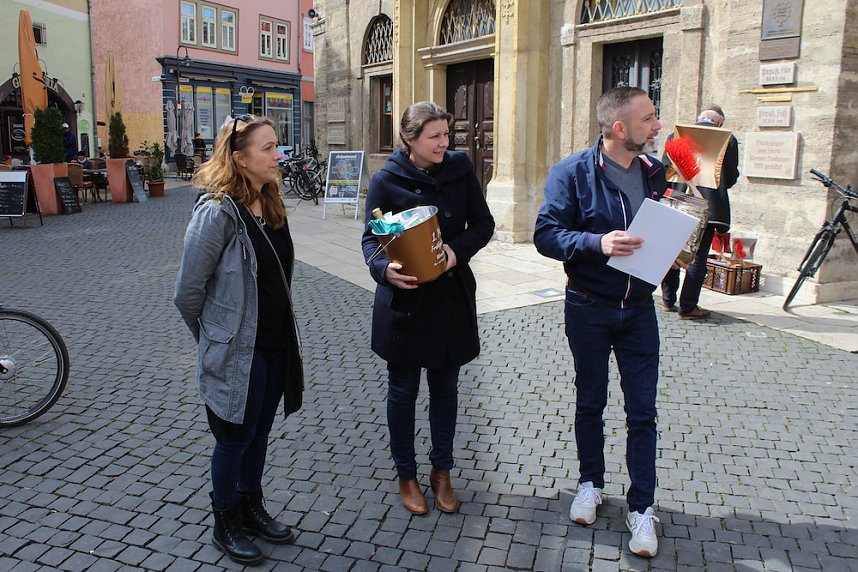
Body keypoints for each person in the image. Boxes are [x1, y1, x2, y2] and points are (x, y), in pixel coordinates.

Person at [534, 87, 681, 558]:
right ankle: (590, 484)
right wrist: (598, 244)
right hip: (588, 306)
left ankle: (642, 509)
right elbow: (546, 234)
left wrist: (675, 251)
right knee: (590, 402)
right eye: (650, 118)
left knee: (642, 411)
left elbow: (666, 227)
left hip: (639, 309)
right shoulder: (571, 173)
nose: (657, 125)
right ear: (620, 128)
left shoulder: (657, 172)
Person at [174, 115, 303, 565]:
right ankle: (224, 520)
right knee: (233, 439)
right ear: (239, 158)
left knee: (259, 433)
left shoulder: (271, 203)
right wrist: (214, 340)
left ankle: (250, 506)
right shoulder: (215, 214)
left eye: (277, 146)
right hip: (237, 352)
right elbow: (187, 293)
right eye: (267, 148)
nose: (278, 155)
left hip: (273, 344)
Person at [361, 101, 494, 515]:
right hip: (405, 303)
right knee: (402, 392)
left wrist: (456, 252)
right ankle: (406, 474)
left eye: (446, 134)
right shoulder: (386, 179)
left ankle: (442, 472)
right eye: (434, 136)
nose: (444, 143)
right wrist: (383, 270)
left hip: (450, 299)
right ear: (409, 140)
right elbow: (370, 239)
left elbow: (484, 224)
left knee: (446, 391)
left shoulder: (460, 168)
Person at [660, 104, 740, 319]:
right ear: (719, 122)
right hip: (708, 206)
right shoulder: (727, 139)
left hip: (677, 201)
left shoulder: (674, 135)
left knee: (671, 251)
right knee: (697, 257)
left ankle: (667, 300)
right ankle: (688, 307)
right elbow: (730, 177)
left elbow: (665, 169)